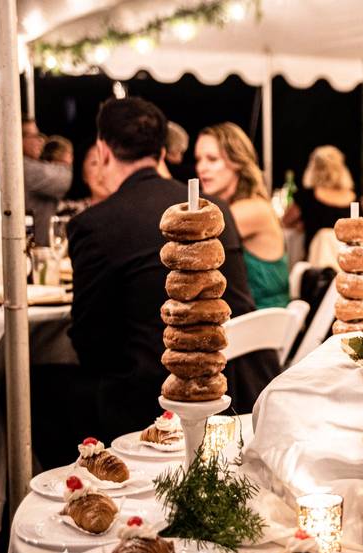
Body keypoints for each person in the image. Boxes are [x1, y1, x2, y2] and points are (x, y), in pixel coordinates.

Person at [37, 97, 280, 468]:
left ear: (102, 151)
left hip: (142, 401)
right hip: (232, 385)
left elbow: (90, 344)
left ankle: (74, 488)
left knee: (36, 385)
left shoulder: (93, 224)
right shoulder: (215, 212)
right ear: (163, 150)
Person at [196, 123, 289, 309]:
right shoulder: (230, 207)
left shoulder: (254, 208)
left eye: (212, 159)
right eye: (198, 159)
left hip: (262, 324)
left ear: (237, 161)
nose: (201, 168)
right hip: (242, 318)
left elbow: (192, 239)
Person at [0, 118, 72, 246]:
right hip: (27, 252)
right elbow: (64, 179)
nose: (40, 140)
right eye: (35, 136)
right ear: (17, 137)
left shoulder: (26, 164)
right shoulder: (14, 165)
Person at [289, 145, 356, 249]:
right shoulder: (354, 199)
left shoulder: (307, 197)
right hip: (349, 259)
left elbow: (285, 222)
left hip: (317, 262)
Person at [57, 143, 111, 216]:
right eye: (95, 163)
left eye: (107, 162)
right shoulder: (66, 212)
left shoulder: (129, 213)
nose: (102, 171)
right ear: (84, 174)